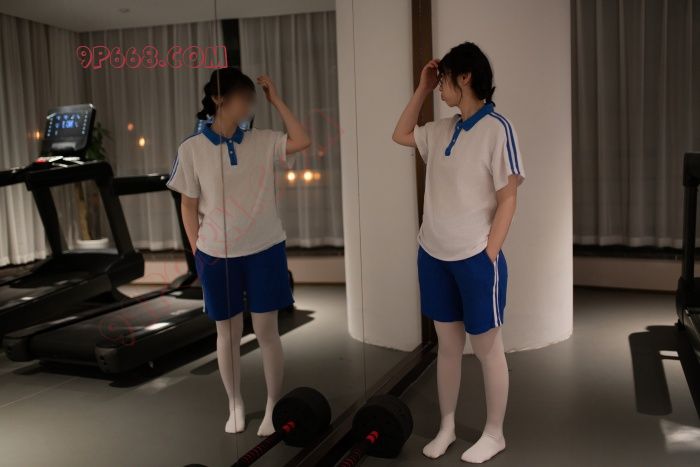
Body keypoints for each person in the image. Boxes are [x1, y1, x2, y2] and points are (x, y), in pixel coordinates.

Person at [392, 42, 525, 463]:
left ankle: (495, 433)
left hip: (474, 259)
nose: (440, 87)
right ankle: (447, 426)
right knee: (447, 348)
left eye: (444, 79)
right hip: (433, 255)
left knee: (487, 349)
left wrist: (489, 254)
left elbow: (508, 198)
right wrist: (421, 87)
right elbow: (400, 134)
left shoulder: (498, 129)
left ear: (464, 77)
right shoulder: (441, 129)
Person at [167, 67, 311, 436]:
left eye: (251, 99)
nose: (249, 105)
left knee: (267, 330)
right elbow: (188, 205)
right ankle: (235, 402)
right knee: (227, 333)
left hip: (265, 249)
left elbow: (302, 140)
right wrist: (198, 252)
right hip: (216, 254)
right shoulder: (192, 149)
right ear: (218, 99)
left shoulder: (262, 141)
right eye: (242, 98)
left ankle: (273, 404)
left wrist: (276, 100)